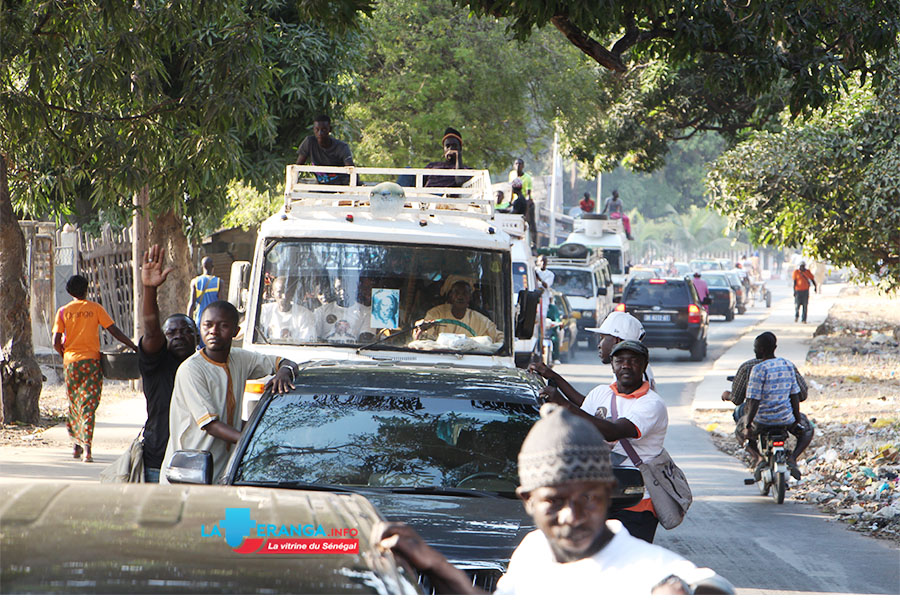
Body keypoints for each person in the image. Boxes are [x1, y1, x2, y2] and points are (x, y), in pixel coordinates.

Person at [375, 405, 721, 595]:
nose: (571, 515)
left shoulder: (652, 573)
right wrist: (436, 566)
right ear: (528, 501)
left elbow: (707, 585)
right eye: (554, 501)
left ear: (608, 494)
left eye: (588, 498)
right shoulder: (533, 552)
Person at [536, 340, 667, 542]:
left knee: (629, 558)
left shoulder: (652, 403)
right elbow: (580, 427)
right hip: (597, 498)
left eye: (633, 360)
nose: (626, 365)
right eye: (620, 360)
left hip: (636, 501)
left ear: (644, 365)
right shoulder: (600, 393)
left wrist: (563, 404)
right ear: (612, 365)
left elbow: (614, 432)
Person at [162, 301, 298, 483]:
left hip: (225, 474)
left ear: (236, 331)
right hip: (189, 475)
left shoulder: (240, 358)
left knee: (238, 504)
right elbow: (211, 425)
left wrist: (284, 371)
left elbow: (284, 362)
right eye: (208, 325)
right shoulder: (191, 369)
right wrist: (254, 442)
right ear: (200, 328)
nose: (214, 331)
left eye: (223, 326)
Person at [52, 275, 138, 463]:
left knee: (74, 403)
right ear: (86, 289)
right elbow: (114, 331)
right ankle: (87, 449)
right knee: (89, 404)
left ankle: (76, 446)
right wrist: (133, 346)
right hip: (91, 362)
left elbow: (55, 341)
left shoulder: (63, 311)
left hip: (71, 364)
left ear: (69, 291)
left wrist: (64, 354)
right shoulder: (95, 308)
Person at [138, 244, 199, 482]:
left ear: (197, 338)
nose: (179, 336)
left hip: (198, 463)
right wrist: (149, 289)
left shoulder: (205, 367)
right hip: (158, 461)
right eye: (172, 333)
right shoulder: (157, 364)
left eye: (186, 331)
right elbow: (152, 330)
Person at [722, 332, 812, 480]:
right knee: (808, 429)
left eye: (756, 348)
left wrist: (748, 425)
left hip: (762, 421)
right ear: (775, 347)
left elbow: (753, 401)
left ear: (761, 349)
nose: (754, 350)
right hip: (786, 419)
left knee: (739, 431)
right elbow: (797, 395)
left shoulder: (756, 369)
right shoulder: (787, 365)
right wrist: (796, 420)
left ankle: (758, 458)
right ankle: (792, 458)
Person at [415, 279, 503, 343]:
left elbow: (500, 337)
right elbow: (423, 337)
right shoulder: (435, 314)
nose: (460, 297)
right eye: (456, 293)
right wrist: (421, 329)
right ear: (451, 296)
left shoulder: (480, 320)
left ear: (470, 297)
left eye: (464, 293)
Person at [295, 114, 354, 185]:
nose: (320, 133)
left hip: (341, 186)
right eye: (317, 129)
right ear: (313, 129)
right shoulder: (309, 142)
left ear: (330, 129)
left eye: (324, 129)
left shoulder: (341, 147)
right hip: (321, 185)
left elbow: (351, 170)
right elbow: (297, 167)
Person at [260, 276, 317, 342]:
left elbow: (306, 342)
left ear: (292, 293)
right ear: (272, 293)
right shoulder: (264, 311)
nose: (284, 296)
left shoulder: (305, 315)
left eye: (287, 292)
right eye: (279, 292)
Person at [186, 257, 220, 342]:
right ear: (213, 267)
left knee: (200, 345)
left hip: (200, 319)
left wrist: (188, 322)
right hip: (214, 320)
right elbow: (221, 304)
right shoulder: (219, 282)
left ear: (202, 267)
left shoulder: (195, 282)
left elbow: (192, 304)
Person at [535, 255, 555, 324]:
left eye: (544, 261)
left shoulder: (550, 274)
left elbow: (546, 285)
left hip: (543, 299)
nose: (543, 263)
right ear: (537, 262)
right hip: (533, 298)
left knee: (542, 317)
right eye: (541, 261)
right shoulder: (533, 271)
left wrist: (539, 279)